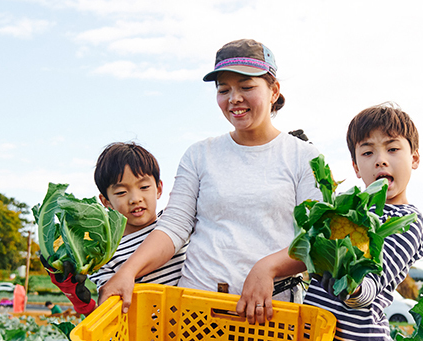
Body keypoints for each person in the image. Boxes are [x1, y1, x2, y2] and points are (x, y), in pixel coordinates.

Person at [98, 39, 322, 323]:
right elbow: (174, 227)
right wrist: (127, 272)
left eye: (246, 86)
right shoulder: (199, 155)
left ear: (274, 90)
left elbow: (317, 239)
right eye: (223, 90)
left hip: (271, 313)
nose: (234, 98)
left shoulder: (305, 157)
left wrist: (269, 267)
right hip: (197, 308)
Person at [304, 103, 423, 341]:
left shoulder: (406, 221)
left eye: (392, 149)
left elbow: (376, 282)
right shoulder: (344, 211)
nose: (381, 160)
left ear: (414, 159)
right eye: (368, 152)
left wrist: (353, 284)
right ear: (357, 168)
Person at [45, 142, 188, 314]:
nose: (135, 198)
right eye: (121, 192)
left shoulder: (175, 224)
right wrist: (81, 302)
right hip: (145, 336)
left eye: (144, 187)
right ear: (106, 201)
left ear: (158, 189)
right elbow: (111, 307)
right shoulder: (103, 254)